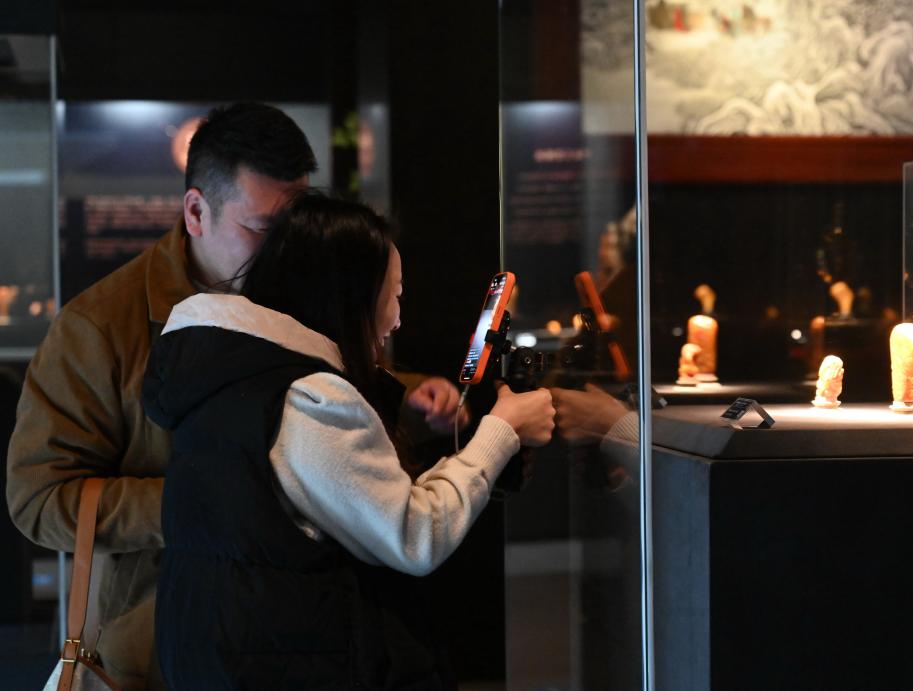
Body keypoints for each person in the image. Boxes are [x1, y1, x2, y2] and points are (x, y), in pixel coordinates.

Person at [5, 102, 466, 689]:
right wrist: (209, 501)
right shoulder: (98, 327)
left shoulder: (291, 293)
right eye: (265, 230)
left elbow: (324, 392)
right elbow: (39, 497)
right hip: (167, 648)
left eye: (297, 226)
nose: (285, 247)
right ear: (197, 211)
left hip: (309, 642)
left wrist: (414, 399)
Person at [141, 190, 555, 689]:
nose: (397, 319)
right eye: (394, 295)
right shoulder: (311, 399)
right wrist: (502, 430)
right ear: (349, 294)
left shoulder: (228, 376)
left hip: (229, 658)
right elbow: (414, 535)